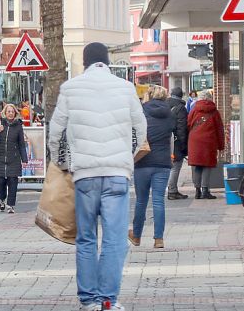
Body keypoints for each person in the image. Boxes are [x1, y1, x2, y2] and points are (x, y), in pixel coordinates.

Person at [48, 42, 146, 311]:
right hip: (117, 174)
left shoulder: (70, 88)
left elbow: (56, 132)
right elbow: (141, 128)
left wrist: (64, 162)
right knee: (115, 239)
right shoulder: (126, 88)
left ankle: (88, 300)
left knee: (87, 238)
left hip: (85, 176)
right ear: (107, 61)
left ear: (85, 61)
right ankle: (108, 299)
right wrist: (127, 154)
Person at [130, 86, 175, 250]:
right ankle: (159, 239)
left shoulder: (141, 112)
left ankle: (136, 235)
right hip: (162, 162)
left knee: (141, 201)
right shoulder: (170, 113)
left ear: (148, 95)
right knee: (158, 201)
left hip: (142, 161)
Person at [0, 103, 27, 214]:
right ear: (5, 112)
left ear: (15, 113)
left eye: (12, 112)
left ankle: (11, 205)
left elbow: (22, 144)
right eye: (8, 111)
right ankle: (2, 198)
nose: (10, 113)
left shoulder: (18, 126)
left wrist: (25, 160)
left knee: (13, 181)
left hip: (13, 158)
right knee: (0, 181)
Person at [187, 91, 225, 200]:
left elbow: (188, 124)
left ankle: (197, 191)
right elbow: (219, 129)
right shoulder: (214, 111)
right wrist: (221, 146)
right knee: (207, 165)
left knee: (196, 165)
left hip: (194, 140)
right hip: (209, 140)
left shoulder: (194, 109)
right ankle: (205, 190)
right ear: (210, 98)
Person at [166, 87, 190, 200]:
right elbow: (182, 128)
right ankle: (172, 190)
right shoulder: (181, 108)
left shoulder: (165, 105)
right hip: (175, 141)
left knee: (171, 166)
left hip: (165, 139)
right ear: (181, 96)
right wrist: (183, 145)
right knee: (176, 165)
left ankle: (172, 189)